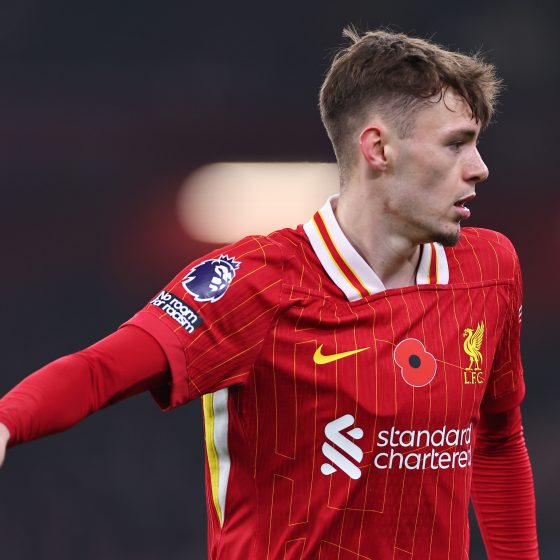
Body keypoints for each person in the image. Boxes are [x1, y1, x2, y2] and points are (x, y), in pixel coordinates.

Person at [0, 28, 539, 559]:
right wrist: (7, 421)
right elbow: (100, 370)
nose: (479, 168)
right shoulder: (256, 282)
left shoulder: (490, 268)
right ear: (378, 148)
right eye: (456, 144)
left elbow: (498, 438)